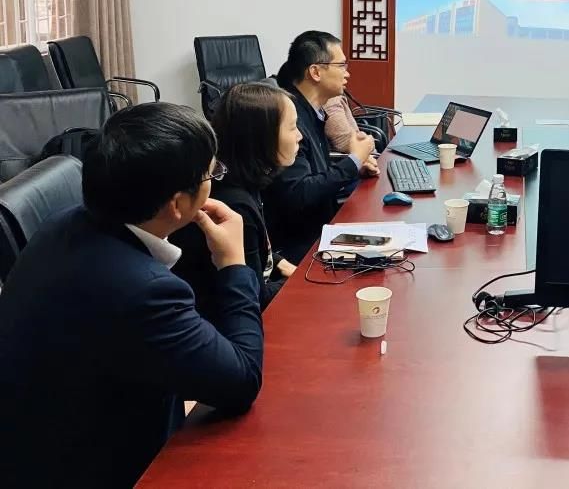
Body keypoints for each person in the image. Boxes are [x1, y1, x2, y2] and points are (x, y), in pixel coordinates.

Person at [0, 103, 264, 487]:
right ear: (177, 204)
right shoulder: (143, 290)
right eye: (212, 173)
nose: (216, 180)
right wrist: (234, 263)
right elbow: (242, 382)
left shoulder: (64, 222)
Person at [172, 83, 303, 319]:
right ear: (262, 137)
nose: (299, 135)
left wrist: (279, 262)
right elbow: (256, 300)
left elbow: (255, 250)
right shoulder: (234, 205)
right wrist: (301, 283)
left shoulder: (241, 177)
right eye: (292, 127)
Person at [264, 30, 378, 262]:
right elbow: (299, 193)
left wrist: (355, 168)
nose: (347, 73)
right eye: (341, 65)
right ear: (315, 72)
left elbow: (315, 175)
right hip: (301, 246)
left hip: (322, 230)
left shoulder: (312, 111)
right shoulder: (290, 120)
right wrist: (353, 161)